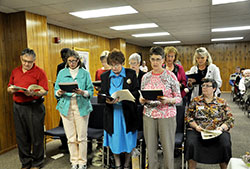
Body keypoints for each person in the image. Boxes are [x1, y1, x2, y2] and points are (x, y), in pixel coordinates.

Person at [139, 46, 182, 169]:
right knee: (151, 148)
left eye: (158, 59)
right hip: (148, 114)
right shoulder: (145, 77)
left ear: (163, 60)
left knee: (167, 148)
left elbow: (178, 98)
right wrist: (141, 100)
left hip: (166, 115)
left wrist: (168, 100)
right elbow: (141, 96)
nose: (155, 62)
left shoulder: (171, 76)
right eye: (153, 59)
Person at [7, 48, 48, 169]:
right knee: (21, 136)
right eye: (24, 61)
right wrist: (11, 89)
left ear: (34, 60)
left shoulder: (39, 72)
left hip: (34, 106)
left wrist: (35, 93)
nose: (26, 64)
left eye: (29, 62)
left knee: (36, 136)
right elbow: (9, 88)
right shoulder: (15, 71)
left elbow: (44, 91)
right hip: (18, 106)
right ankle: (25, 162)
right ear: (21, 58)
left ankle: (37, 162)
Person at [54, 50, 94, 169]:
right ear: (67, 61)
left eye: (74, 61)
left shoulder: (84, 73)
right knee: (71, 137)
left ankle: (82, 162)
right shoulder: (62, 73)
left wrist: (83, 92)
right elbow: (56, 90)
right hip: (66, 106)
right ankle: (74, 161)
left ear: (78, 61)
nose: (72, 63)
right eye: (69, 61)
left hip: (81, 105)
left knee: (81, 136)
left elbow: (91, 91)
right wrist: (59, 92)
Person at [100, 49, 139, 169]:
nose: (114, 68)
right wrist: (106, 100)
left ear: (122, 63)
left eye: (116, 65)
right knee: (115, 141)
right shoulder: (105, 76)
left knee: (128, 141)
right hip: (113, 114)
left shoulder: (131, 74)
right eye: (111, 65)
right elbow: (101, 95)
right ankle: (117, 164)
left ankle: (127, 164)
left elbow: (136, 93)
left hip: (127, 113)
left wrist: (124, 98)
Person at [185, 78, 234, 169]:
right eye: (203, 85)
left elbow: (230, 119)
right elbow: (188, 117)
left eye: (207, 86)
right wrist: (196, 127)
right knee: (191, 142)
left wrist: (222, 128)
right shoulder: (195, 101)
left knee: (225, 143)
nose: (204, 88)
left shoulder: (221, 102)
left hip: (217, 131)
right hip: (198, 131)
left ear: (214, 89)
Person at [92, 51, 110, 166]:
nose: (104, 63)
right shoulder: (99, 71)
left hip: (110, 98)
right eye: (102, 61)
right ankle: (100, 147)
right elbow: (95, 84)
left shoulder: (113, 70)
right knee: (101, 121)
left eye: (106, 61)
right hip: (101, 98)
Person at [56, 48, 72, 152]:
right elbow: (58, 82)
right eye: (62, 58)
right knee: (63, 123)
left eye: (65, 57)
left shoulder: (79, 66)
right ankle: (65, 145)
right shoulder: (60, 67)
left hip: (75, 97)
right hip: (64, 98)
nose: (64, 60)